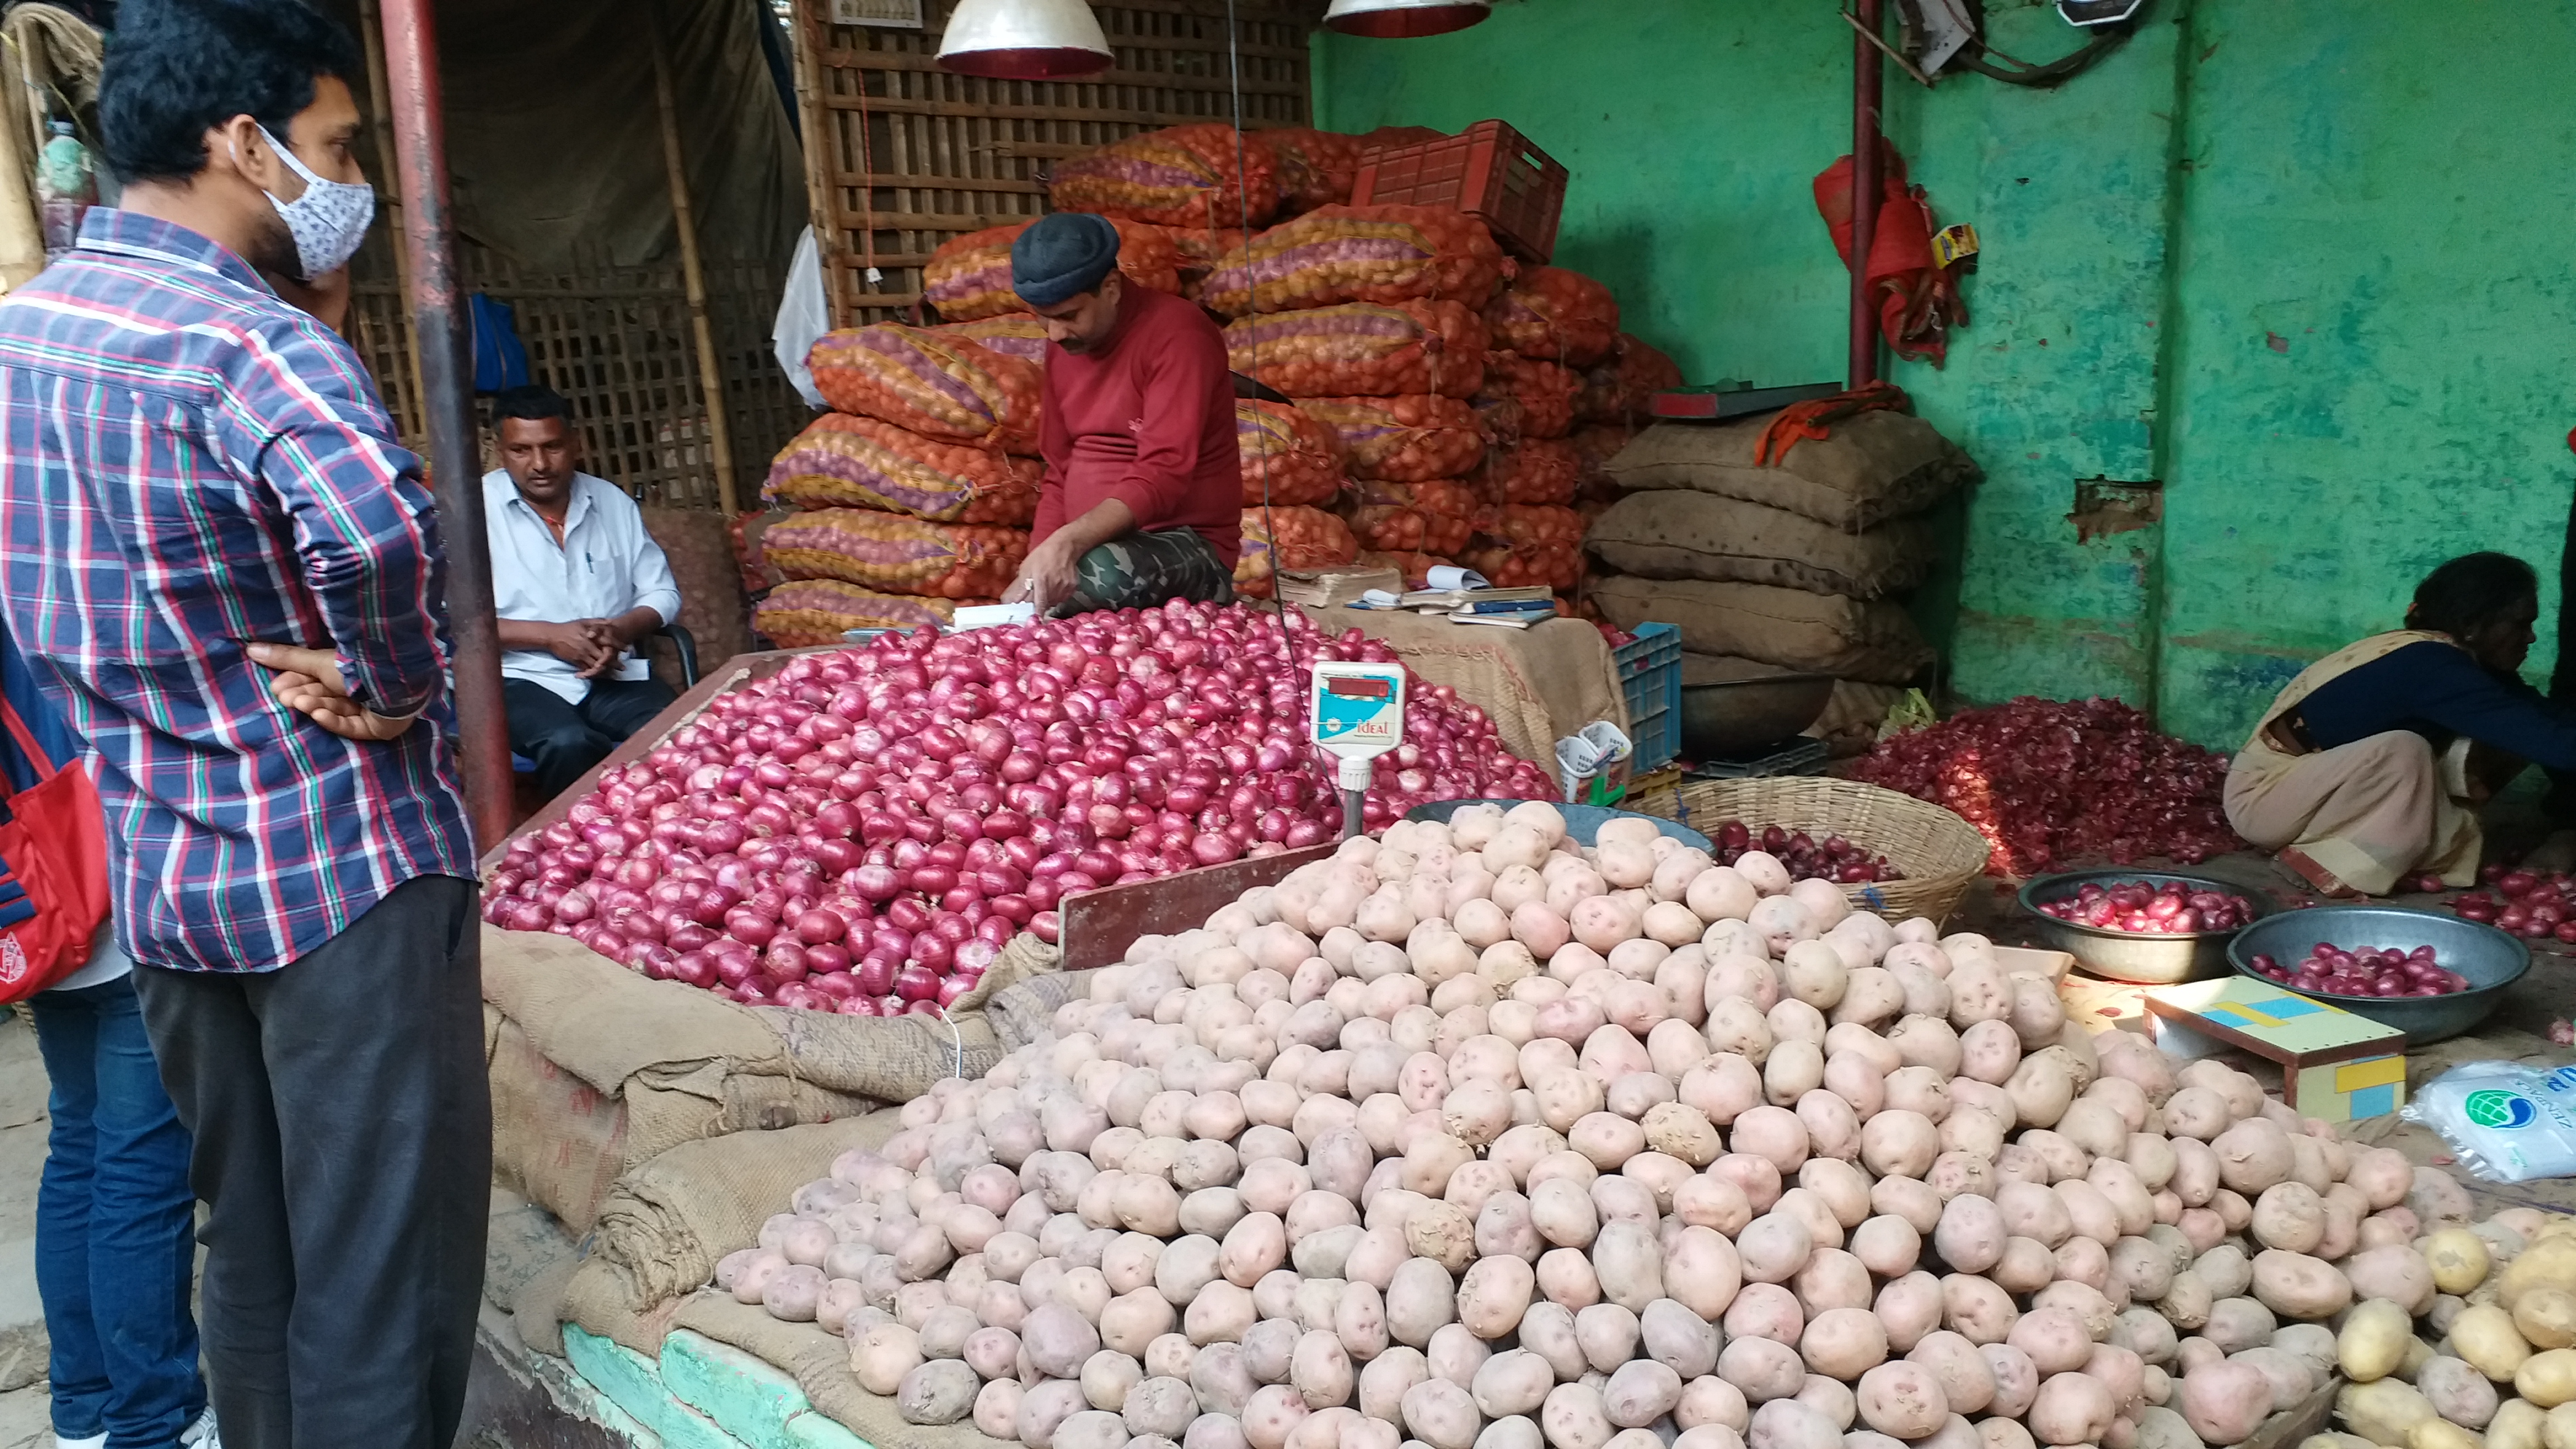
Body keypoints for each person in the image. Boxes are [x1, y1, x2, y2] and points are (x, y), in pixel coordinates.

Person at [0, 3, 487, 1446]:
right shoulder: (244, 342)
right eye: (333, 148)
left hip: (162, 872)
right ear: (242, 143)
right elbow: (381, 533)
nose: (348, 184)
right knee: (378, 1274)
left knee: (256, 1246)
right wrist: (390, 685)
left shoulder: (22, 334)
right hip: (336, 865)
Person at [7, 618, 214, 1449]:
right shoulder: (41, 551)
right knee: (140, 1167)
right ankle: (155, 1422)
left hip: (32, 902)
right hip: (106, 884)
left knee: (82, 1148)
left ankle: (84, 1414)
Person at [2227, 552, 2576, 897]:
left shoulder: (2460, 662)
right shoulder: (2431, 666)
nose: (2530, 637)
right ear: (2472, 626)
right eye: (2520, 624)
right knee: (2405, 749)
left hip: (2302, 792)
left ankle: (2372, 846)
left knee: (2494, 735)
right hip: (2263, 801)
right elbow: (2553, 744)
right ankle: (2328, 860)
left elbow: (2548, 720)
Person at [1002, 211, 1241, 615]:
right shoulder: (1065, 345)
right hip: (1091, 547)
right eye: (1041, 318)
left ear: (1111, 288)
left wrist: (1068, 543)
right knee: (1037, 589)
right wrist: (1041, 559)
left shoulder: (1179, 335)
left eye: (1068, 316)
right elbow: (1059, 471)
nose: (1054, 334)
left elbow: (1163, 471)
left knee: (1102, 575)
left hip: (1187, 547)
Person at [486, 383, 684, 799]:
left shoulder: (612, 503)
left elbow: (662, 593)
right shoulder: (470, 512)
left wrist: (621, 630)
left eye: (553, 447)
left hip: (612, 673)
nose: (540, 464)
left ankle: (666, 841)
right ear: (500, 451)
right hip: (520, 678)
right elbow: (450, 623)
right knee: (567, 743)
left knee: (681, 731)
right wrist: (550, 637)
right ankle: (573, 853)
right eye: (522, 450)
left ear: (577, 444)